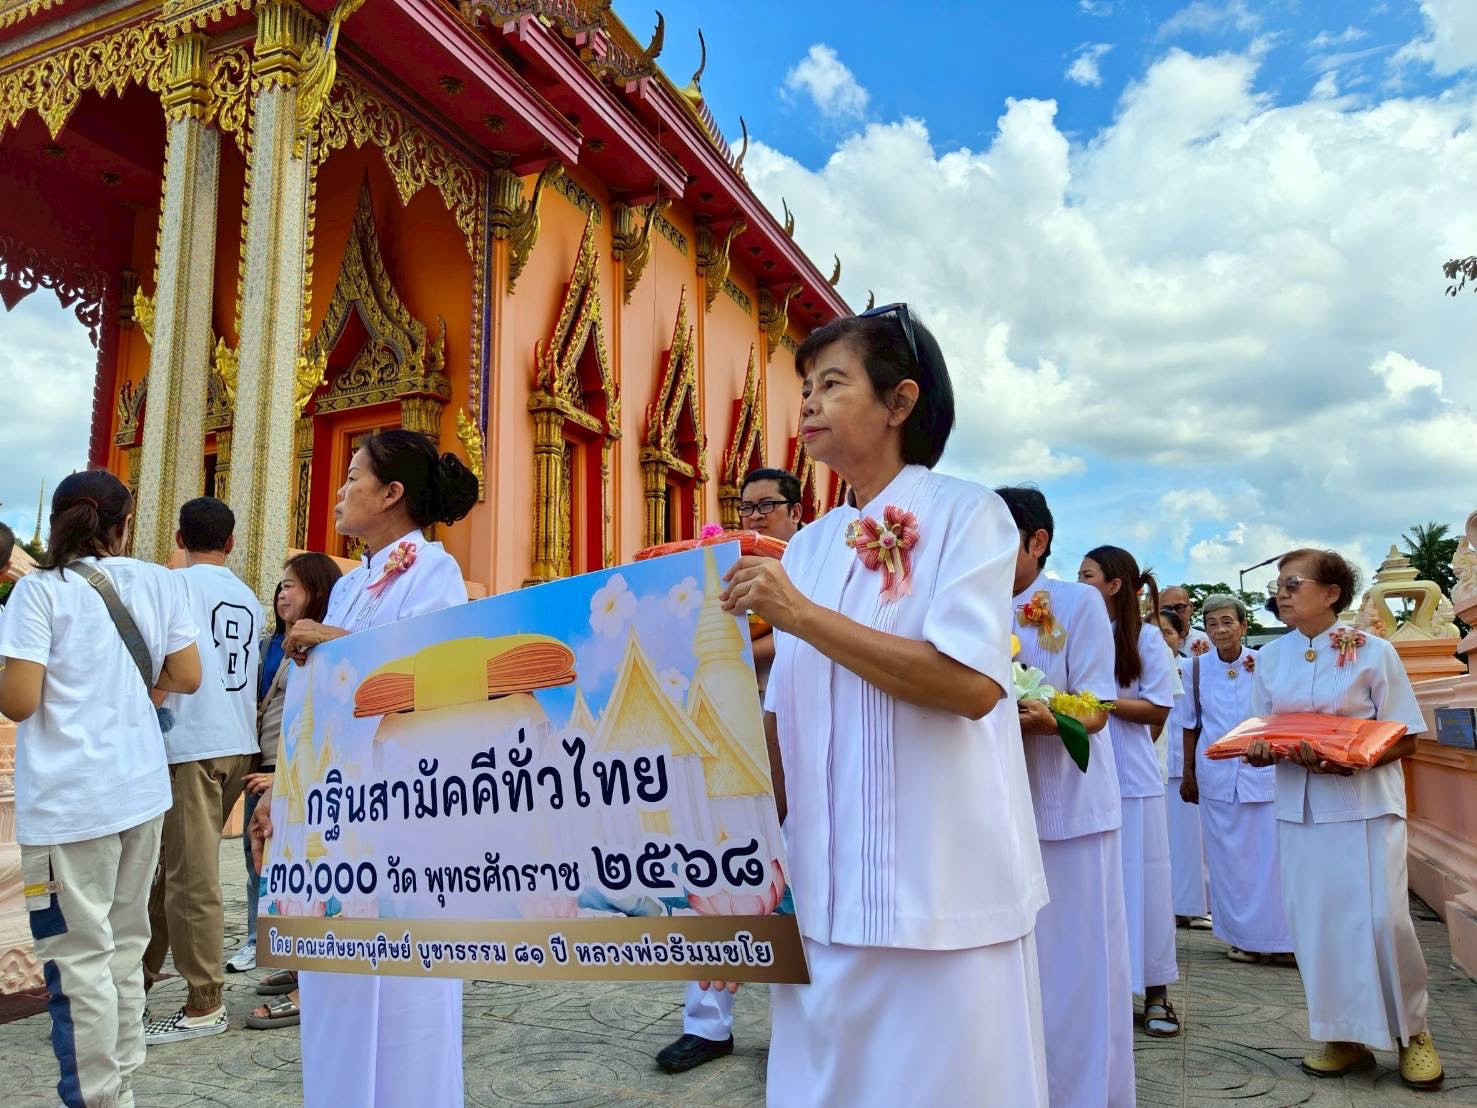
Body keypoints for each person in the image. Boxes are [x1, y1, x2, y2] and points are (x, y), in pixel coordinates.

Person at [721, 304, 1049, 1105]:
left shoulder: (969, 514)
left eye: (831, 384)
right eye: (804, 387)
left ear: (900, 402)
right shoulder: (809, 544)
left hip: (934, 889)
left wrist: (798, 615)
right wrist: (743, 851)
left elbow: (971, 684)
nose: (806, 404)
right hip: (819, 889)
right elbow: (784, 711)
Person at [248, 428, 478, 1108]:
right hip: (332, 822)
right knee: (333, 995)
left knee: (408, 1005)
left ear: (391, 493)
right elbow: (315, 710)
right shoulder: (350, 587)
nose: (342, 490)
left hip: (402, 823)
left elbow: (439, 678)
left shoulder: (434, 572)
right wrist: (283, 797)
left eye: (353, 476)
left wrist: (334, 640)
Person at [0, 470, 201, 1108]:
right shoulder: (158, 581)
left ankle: (96, 1095)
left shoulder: (38, 593)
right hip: (139, 792)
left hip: (69, 804)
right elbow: (187, 676)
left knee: (76, 957)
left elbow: (21, 701)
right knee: (125, 942)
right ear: (123, 524)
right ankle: (122, 1082)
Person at [1247, 549, 1443, 1088]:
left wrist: (1348, 757)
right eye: (1279, 585)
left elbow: (1407, 736)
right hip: (1300, 811)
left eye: (1293, 583)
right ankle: (1344, 1037)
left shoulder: (1374, 652)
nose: (1282, 593)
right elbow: (1262, 728)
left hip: (1366, 807)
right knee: (1318, 925)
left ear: (1332, 593)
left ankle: (1414, 1032)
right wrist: (1263, 749)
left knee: (1384, 920)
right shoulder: (1270, 658)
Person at [655, 466, 802, 1075]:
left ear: (797, 509)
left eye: (767, 506)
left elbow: (806, 635)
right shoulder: (721, 565)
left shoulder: (811, 566)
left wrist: (752, 646)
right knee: (718, 875)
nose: (754, 517)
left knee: (798, 880)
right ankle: (707, 1025)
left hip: (793, 730)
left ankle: (802, 1028)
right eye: (745, 507)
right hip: (727, 732)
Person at [997, 485, 1134, 1107]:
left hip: (1071, 809)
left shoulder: (1078, 603)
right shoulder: (972, 601)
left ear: (1037, 541)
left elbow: (1099, 706)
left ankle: (1081, 1093)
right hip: (1000, 808)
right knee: (1010, 967)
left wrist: (1046, 717)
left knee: (1075, 966)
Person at [142, 498, 263, 1044]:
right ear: (231, 542)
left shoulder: (174, 586)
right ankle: (135, 982)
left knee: (190, 879)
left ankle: (204, 1001)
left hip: (191, 743)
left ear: (178, 536)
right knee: (169, 872)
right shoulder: (250, 598)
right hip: (237, 742)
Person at [1079, 545, 1180, 1036]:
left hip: (1132, 778)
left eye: (1088, 575)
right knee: (1098, 887)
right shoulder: (1075, 631)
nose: (1080, 584)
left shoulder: (1147, 640)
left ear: (1114, 585)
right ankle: (1106, 986)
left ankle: (1157, 992)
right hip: (1083, 774)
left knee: (1145, 883)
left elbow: (1158, 710)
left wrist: (1102, 703)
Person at [230, 553, 342, 989]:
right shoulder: (268, 646)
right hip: (264, 765)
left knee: (297, 868)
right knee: (259, 865)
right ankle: (279, 952)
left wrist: (284, 776)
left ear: (317, 591)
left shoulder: (325, 648)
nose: (282, 593)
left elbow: (325, 718)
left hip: (296, 770)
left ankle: (304, 971)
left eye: (292, 585)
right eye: (280, 586)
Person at [1178, 594, 1292, 965]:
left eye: (1228, 622)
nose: (1220, 630)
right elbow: (1191, 725)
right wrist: (1189, 775)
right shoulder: (1196, 669)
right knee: (1227, 863)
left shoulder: (1266, 664)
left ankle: (1280, 940)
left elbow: (1280, 717)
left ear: (1244, 626)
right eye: (1212, 624)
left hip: (1262, 775)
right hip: (1216, 777)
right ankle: (1242, 939)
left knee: (1270, 861)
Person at [1159, 609, 1212, 931]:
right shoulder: (1143, 668)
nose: (1162, 638)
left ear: (1182, 636)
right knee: (1164, 843)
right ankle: (1169, 905)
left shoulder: (1193, 670)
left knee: (1194, 842)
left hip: (1189, 767)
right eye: (1156, 631)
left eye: (1168, 632)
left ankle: (1196, 905)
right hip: (1159, 765)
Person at [1160, 585, 1211, 653]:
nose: (1174, 613)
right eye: (1166, 609)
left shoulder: (1209, 641)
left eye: (1179, 607)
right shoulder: (1151, 644)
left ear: (1191, 608)